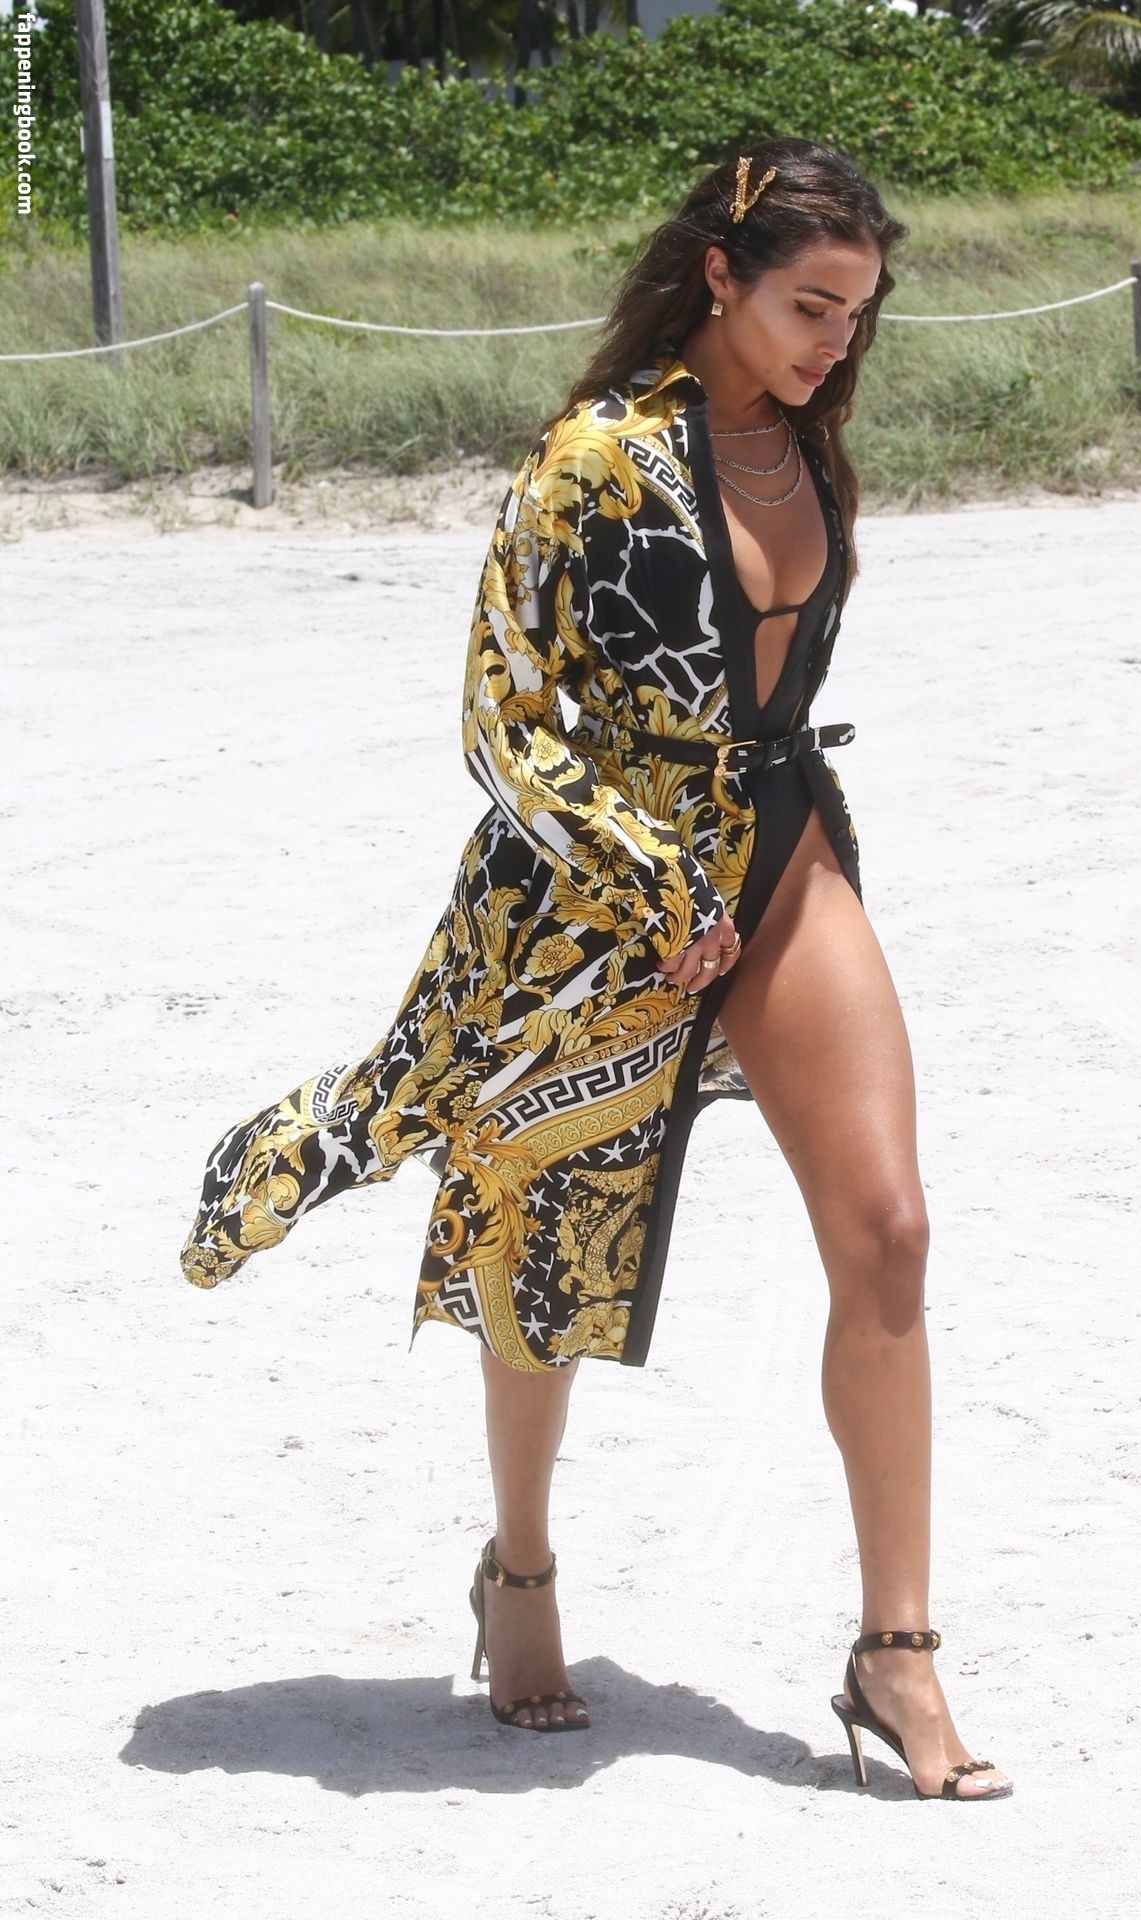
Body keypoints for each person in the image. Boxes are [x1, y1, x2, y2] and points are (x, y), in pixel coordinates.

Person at [181, 137, 1013, 1799]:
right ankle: (521, 1571)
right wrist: (647, 875)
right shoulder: (593, 461)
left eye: (857, 312)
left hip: (784, 860)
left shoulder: (811, 444)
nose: (836, 341)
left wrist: (737, 865)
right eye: (810, 305)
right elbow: (504, 717)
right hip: (592, 906)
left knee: (892, 1232)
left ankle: (897, 1650)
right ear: (720, 274)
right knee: (549, 1255)